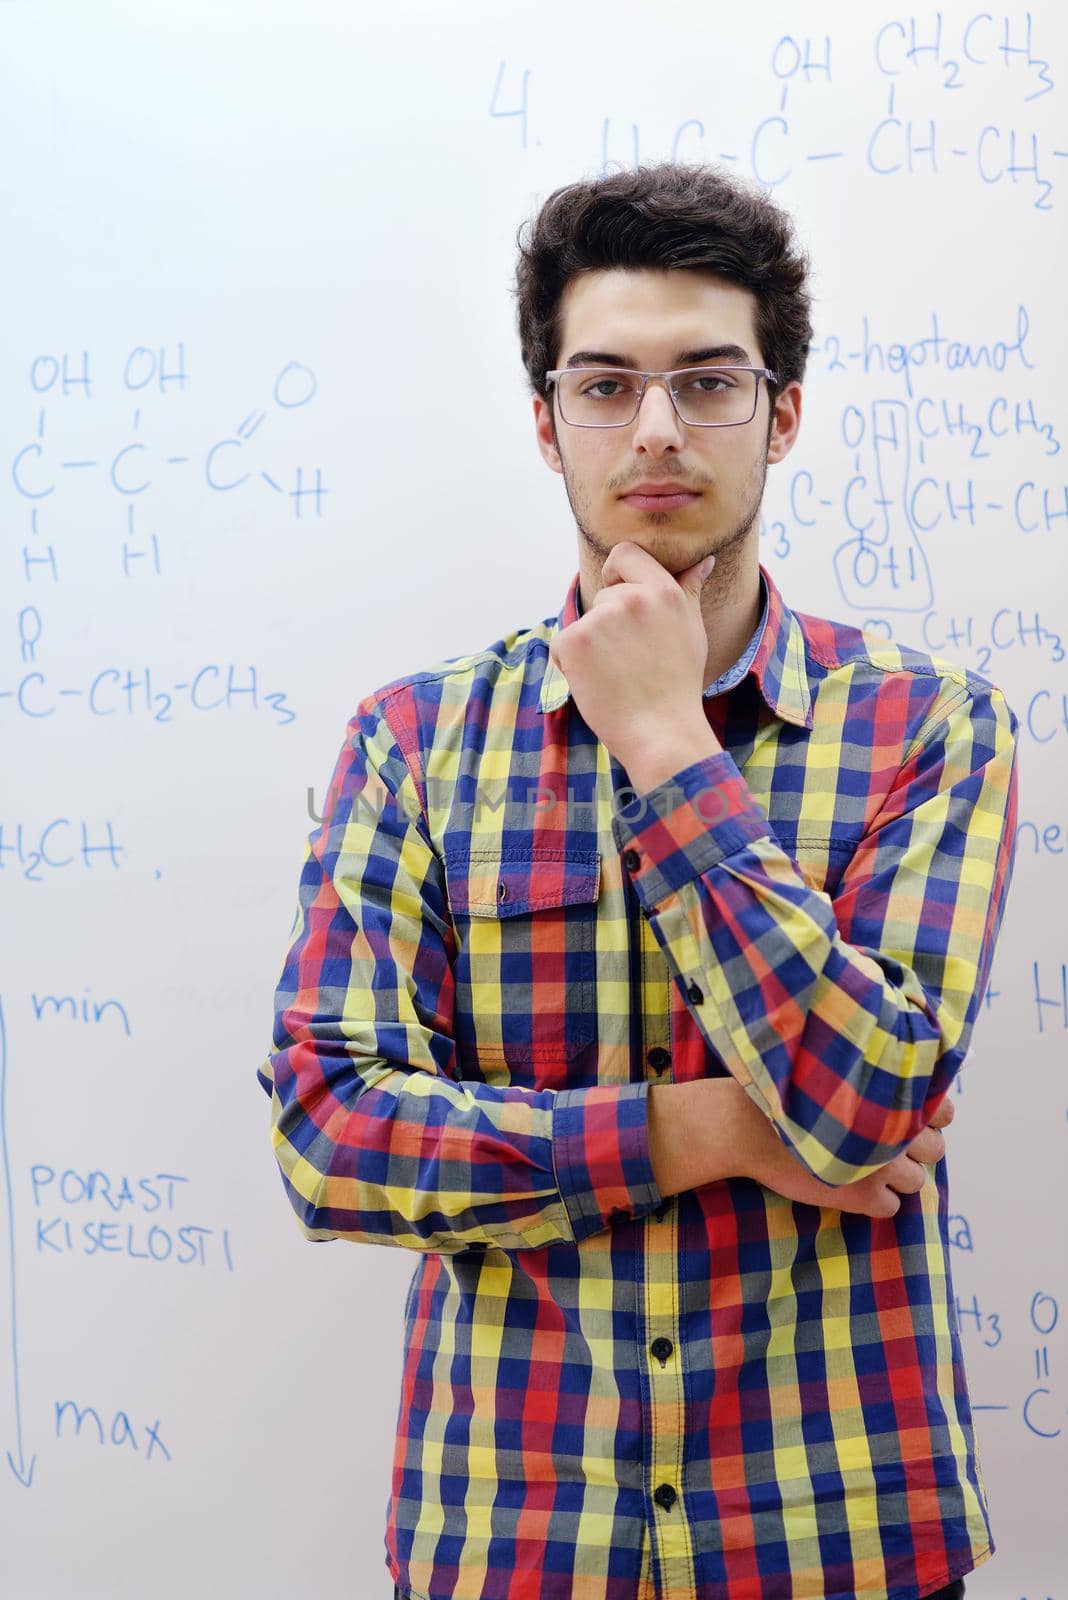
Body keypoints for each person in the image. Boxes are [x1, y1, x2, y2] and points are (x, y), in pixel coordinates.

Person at [257, 161, 1019, 1600]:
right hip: (521, 1540)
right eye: (604, 384)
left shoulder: (932, 726)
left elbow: (870, 1102)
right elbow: (331, 1137)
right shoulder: (414, 742)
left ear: (780, 414)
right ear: (547, 426)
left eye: (708, 382)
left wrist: (671, 745)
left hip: (837, 1531)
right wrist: (712, 1131)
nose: (656, 429)